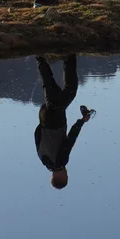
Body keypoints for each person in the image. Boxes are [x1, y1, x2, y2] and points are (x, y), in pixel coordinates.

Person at [35, 55, 93, 190]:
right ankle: (43, 57)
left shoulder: (60, 163)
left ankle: (66, 55)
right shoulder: (42, 159)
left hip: (55, 120)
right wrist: (43, 123)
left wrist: (82, 121)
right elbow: (36, 135)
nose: (67, 173)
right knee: (51, 87)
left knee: (69, 89)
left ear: (61, 177)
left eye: (66, 176)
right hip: (44, 118)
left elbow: (70, 140)